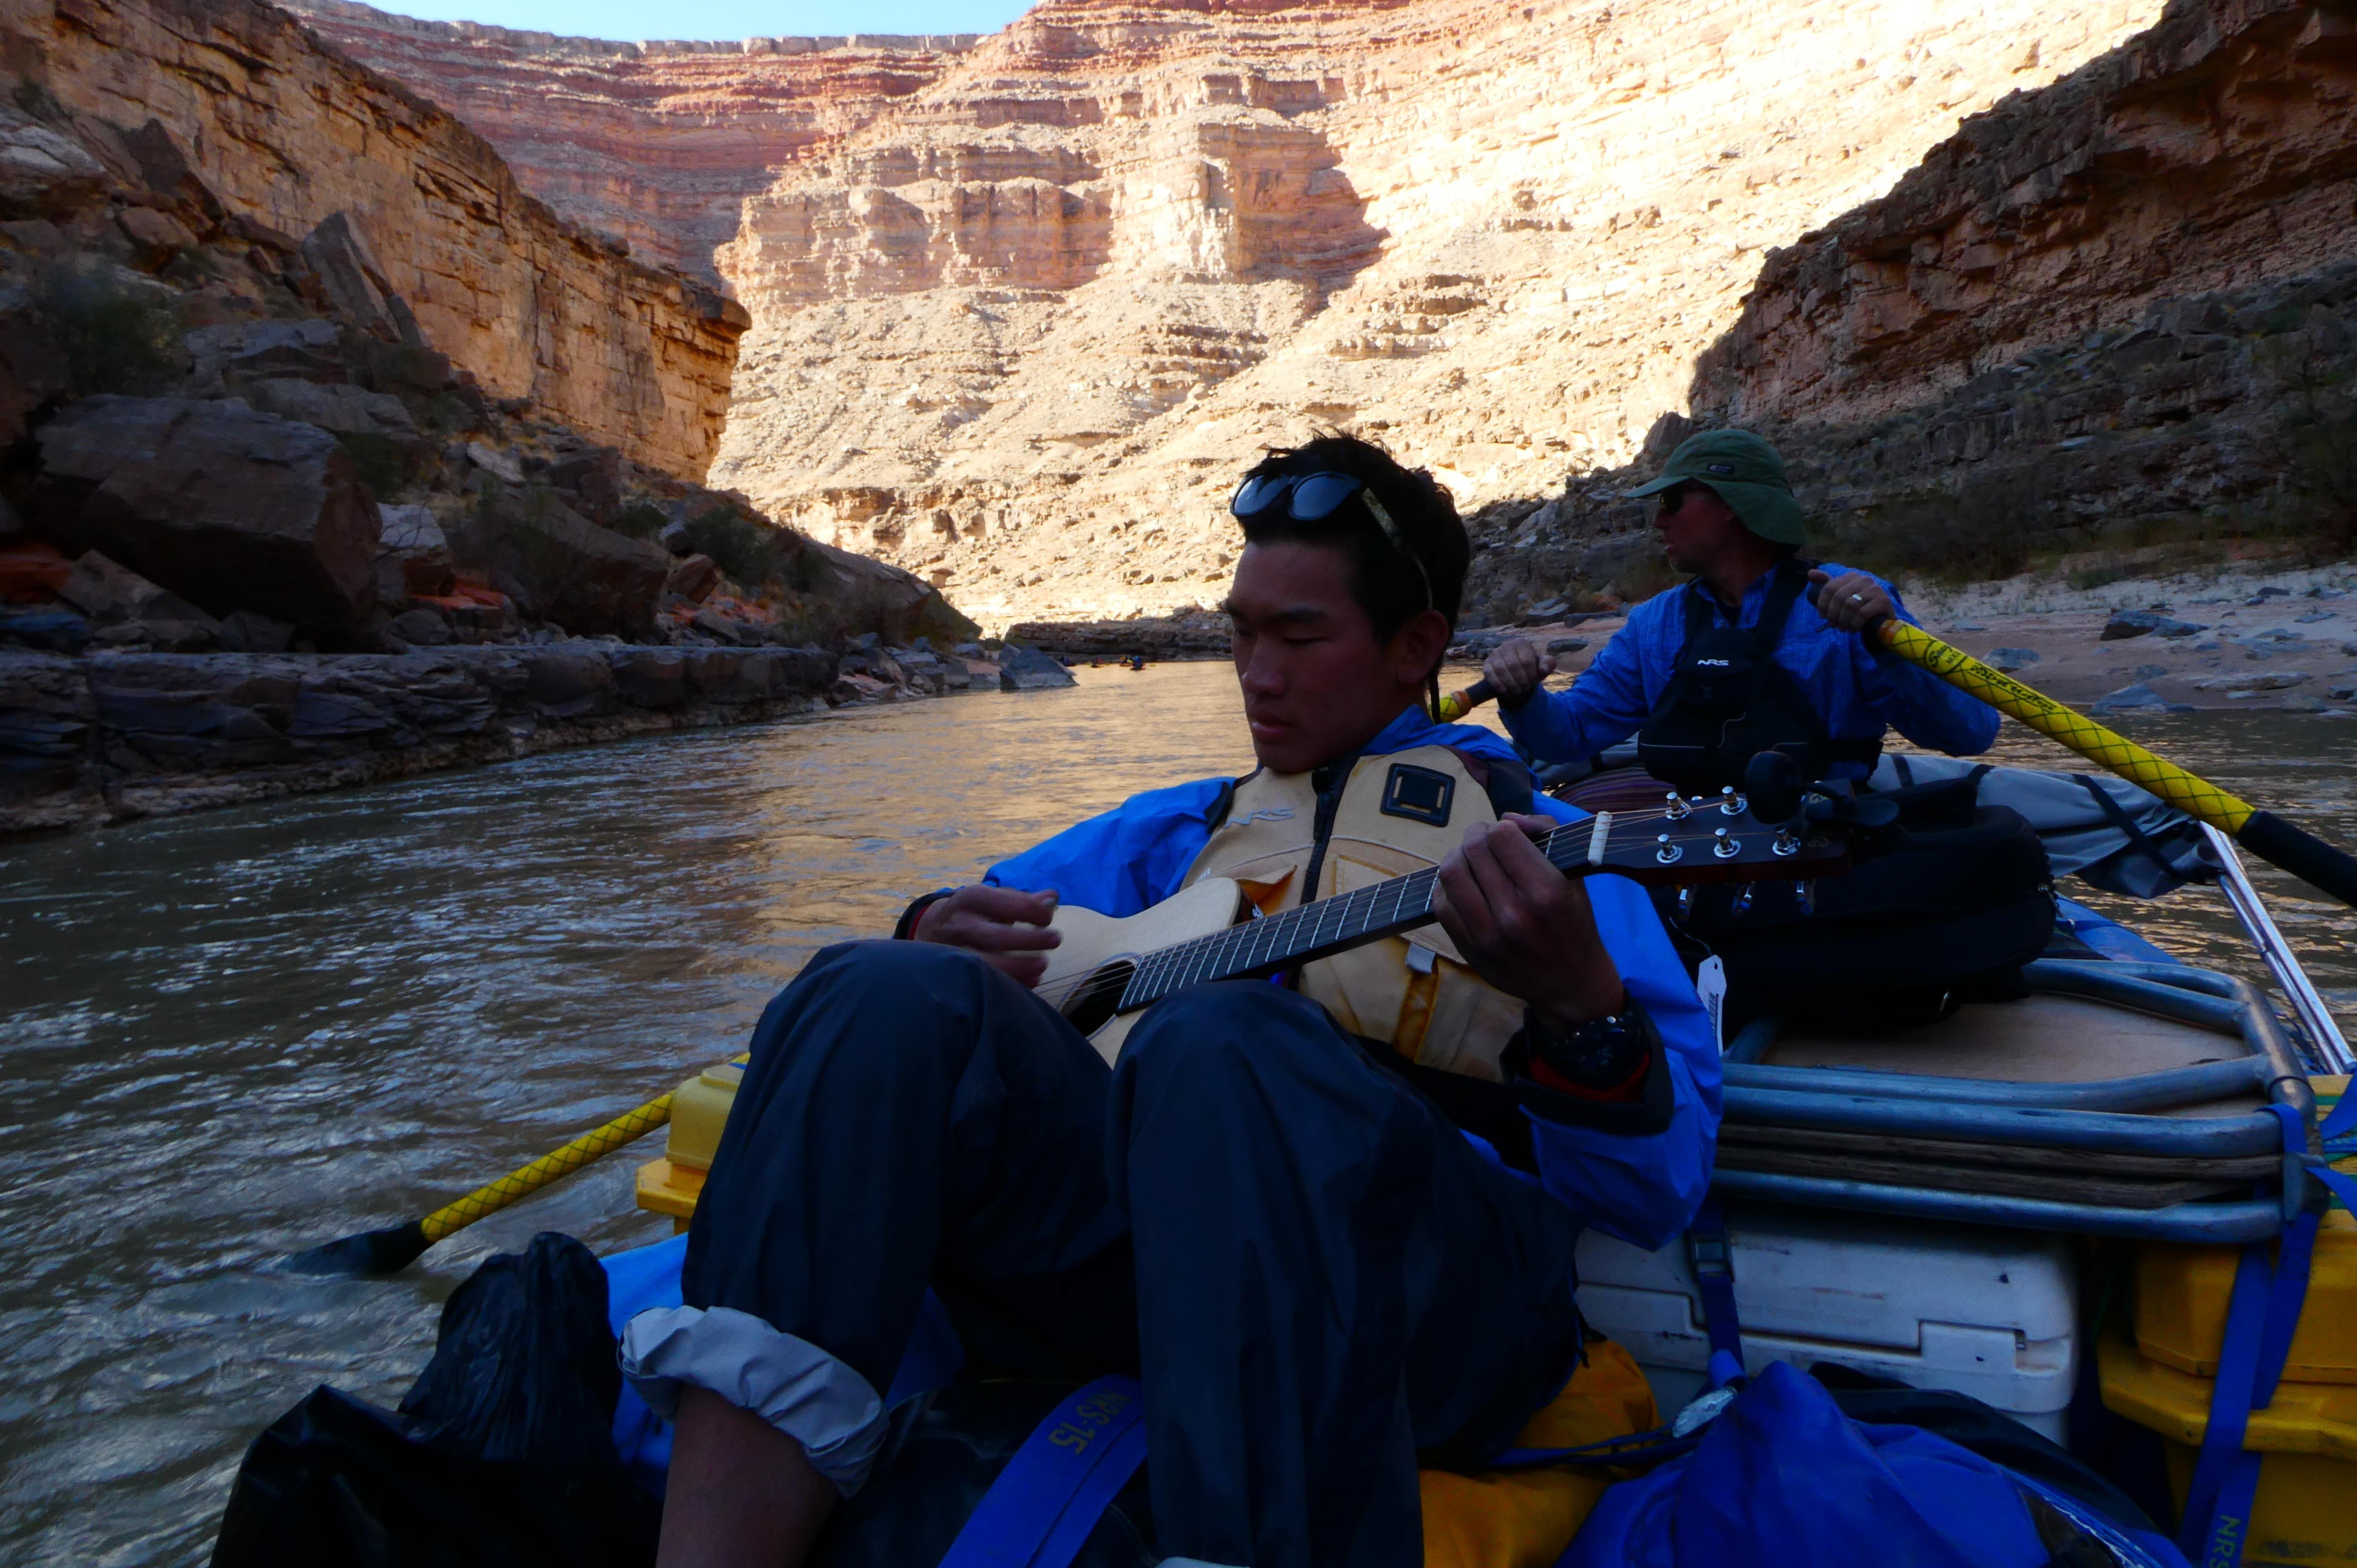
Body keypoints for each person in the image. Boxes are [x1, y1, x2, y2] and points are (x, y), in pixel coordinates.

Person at [627, 434, 1720, 1568]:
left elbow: (1656, 1191)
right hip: (1160, 1273)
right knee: (870, 989)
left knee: (1218, 1041)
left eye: (1298, 636)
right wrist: (927, 928)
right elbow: (958, 979)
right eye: (1241, 633)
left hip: (1431, 1304)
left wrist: (1579, 1006)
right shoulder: (1180, 827)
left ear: (1416, 648)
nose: (1257, 673)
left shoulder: (1542, 850)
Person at [1483, 428, 1999, 791]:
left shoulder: (1849, 602)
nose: (1657, 522)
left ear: (1730, 505)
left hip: (1824, 848)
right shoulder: (1654, 624)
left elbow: (1971, 732)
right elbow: (1567, 736)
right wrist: (1524, 695)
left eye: (1672, 503)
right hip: (1694, 855)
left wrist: (1886, 646)